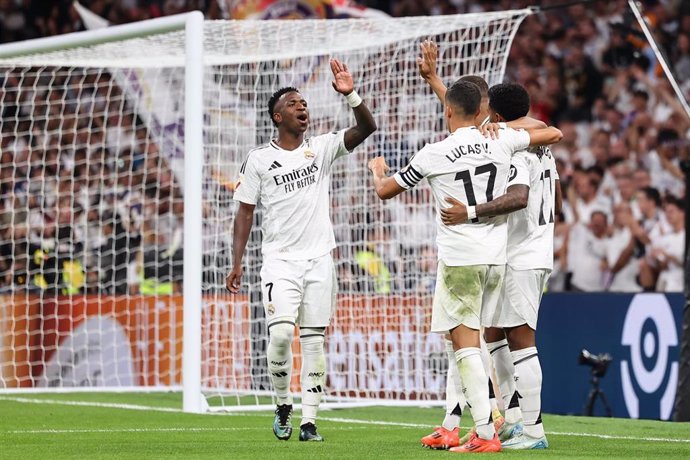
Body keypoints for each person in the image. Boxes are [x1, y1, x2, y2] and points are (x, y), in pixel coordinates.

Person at [368, 79, 561, 453]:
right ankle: (502, 420)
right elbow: (551, 131)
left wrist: (378, 170)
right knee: (489, 338)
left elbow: (387, 189)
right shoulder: (505, 141)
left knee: (490, 342)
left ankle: (515, 430)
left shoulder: (447, 149)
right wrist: (436, 81)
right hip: (505, 255)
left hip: (496, 254)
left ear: (496, 115)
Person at [227, 58, 376, 442]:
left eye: (305, 103)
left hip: (319, 261)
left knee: (313, 342)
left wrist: (351, 94)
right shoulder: (259, 159)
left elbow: (366, 128)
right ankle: (282, 404)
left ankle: (309, 423)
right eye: (294, 104)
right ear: (278, 117)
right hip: (279, 262)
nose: (302, 107)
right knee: (279, 337)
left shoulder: (322, 149)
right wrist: (237, 262)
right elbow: (245, 213)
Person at [442, 83, 563, 449]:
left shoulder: (512, 145)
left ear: (495, 114)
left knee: (522, 341)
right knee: (494, 332)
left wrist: (471, 213)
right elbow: (463, 122)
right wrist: (436, 83)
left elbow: (519, 197)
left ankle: (534, 430)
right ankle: (511, 418)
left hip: (523, 253)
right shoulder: (536, 139)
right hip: (528, 249)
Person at [416, 40, 504, 450]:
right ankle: (454, 422)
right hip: (494, 254)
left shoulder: (496, 136)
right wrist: (435, 80)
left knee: (467, 340)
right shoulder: (500, 140)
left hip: (466, 251)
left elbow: (459, 131)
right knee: (463, 338)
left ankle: (490, 422)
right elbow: (462, 124)